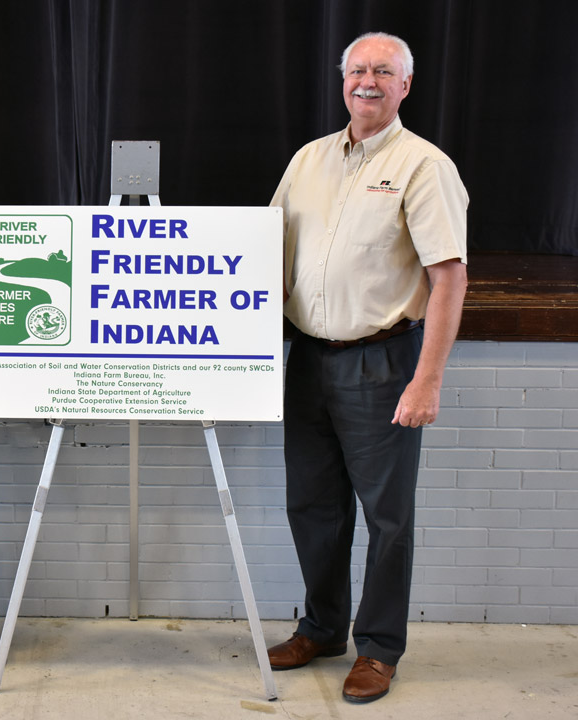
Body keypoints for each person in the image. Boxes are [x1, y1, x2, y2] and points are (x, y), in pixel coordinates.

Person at [267, 32, 468, 703]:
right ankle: (322, 627)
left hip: (382, 362)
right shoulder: (308, 160)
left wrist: (427, 378)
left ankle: (378, 649)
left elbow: (450, 278)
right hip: (308, 361)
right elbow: (264, 255)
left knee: (388, 517)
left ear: (406, 85)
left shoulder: (423, 165)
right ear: (342, 79)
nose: (368, 82)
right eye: (358, 70)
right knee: (312, 508)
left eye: (384, 71)